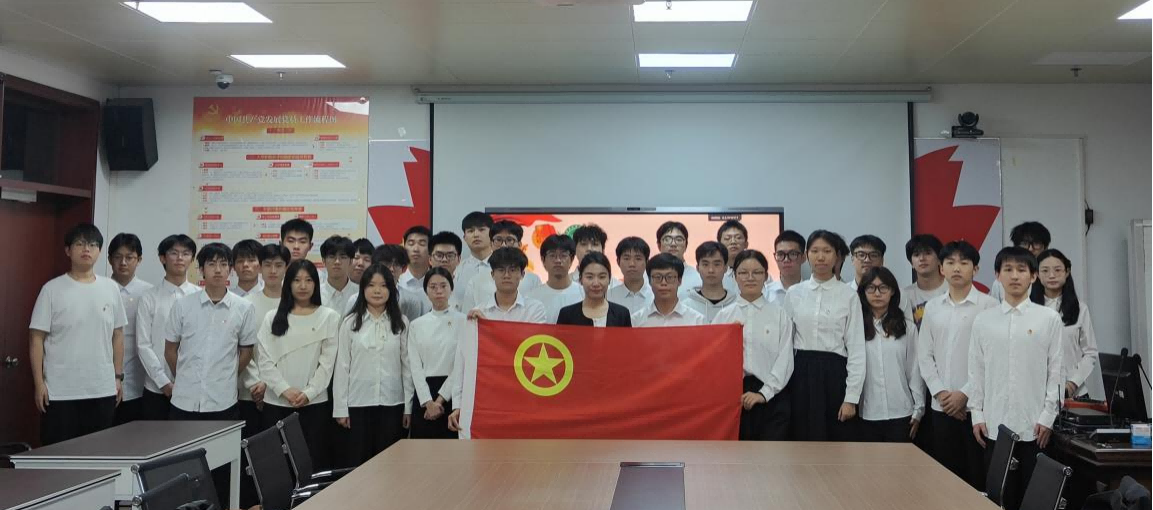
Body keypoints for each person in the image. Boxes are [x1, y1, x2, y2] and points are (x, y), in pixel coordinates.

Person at [969, 247, 1063, 510]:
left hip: (1035, 427)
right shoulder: (984, 321)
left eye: (1022, 270)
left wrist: (1048, 416)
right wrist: (977, 414)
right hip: (994, 425)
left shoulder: (1048, 319)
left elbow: (1057, 371)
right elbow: (976, 371)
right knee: (999, 500)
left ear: (1033, 276)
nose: (1014, 276)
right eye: (1008, 269)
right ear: (997, 275)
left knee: (1034, 501)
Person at [29, 223, 127, 445]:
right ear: (68, 250)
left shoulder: (110, 288)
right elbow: (36, 338)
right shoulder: (52, 289)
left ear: (99, 251)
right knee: (58, 453)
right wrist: (39, 383)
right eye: (80, 244)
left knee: (97, 452)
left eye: (92, 244)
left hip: (101, 388)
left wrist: (117, 377)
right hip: (60, 390)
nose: (86, 249)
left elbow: (118, 335)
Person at [917, 240, 998, 489]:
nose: (957, 268)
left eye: (964, 263)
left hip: (976, 410)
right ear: (941, 268)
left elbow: (991, 359)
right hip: (941, 408)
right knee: (944, 480)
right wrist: (942, 394)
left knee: (976, 478)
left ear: (975, 269)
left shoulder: (989, 306)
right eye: (950, 262)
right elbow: (924, 355)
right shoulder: (932, 307)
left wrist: (964, 395)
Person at [447, 247, 548, 432]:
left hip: (524, 393)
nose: (506, 275)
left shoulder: (535, 309)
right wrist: (458, 404)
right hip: (487, 394)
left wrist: (489, 328)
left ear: (522, 275)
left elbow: (529, 348)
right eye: (501, 270)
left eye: (513, 270)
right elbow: (462, 361)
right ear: (492, 274)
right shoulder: (477, 313)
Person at [258, 259, 340, 469]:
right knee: (278, 466)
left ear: (316, 284)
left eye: (308, 280)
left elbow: (327, 364)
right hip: (276, 403)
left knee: (313, 461)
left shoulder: (329, 317)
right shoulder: (271, 317)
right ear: (288, 284)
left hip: (314, 404)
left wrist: (309, 392)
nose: (303, 286)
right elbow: (264, 361)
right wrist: (284, 389)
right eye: (296, 280)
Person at [783, 230, 865, 442]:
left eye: (827, 251)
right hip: (800, 374)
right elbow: (784, 345)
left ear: (837, 256)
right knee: (801, 438)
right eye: (815, 251)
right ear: (806, 255)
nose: (821, 257)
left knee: (835, 439)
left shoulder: (848, 295)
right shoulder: (794, 293)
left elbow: (856, 349)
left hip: (835, 375)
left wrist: (851, 398)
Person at [164, 242, 258, 421]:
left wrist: (225, 375)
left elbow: (246, 352)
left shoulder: (244, 308)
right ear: (201, 270)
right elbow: (170, 350)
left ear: (230, 270)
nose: (218, 270)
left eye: (223, 264)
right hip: (184, 400)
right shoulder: (182, 305)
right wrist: (185, 376)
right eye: (212, 264)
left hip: (223, 401)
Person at [334, 264, 411, 465]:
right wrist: (341, 408)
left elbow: (407, 367)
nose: (377, 291)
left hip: (392, 403)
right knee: (359, 462)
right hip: (358, 403)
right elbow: (342, 367)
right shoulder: (350, 323)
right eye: (371, 285)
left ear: (391, 290)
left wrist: (408, 407)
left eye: (383, 285)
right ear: (363, 289)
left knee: (390, 464)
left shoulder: (401, 323)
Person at [712, 250, 793, 440]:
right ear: (734, 276)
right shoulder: (724, 316)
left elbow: (785, 360)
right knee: (736, 455)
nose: (750, 278)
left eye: (757, 272)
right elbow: (713, 360)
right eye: (743, 272)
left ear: (765, 276)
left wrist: (764, 393)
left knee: (770, 455)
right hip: (733, 398)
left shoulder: (779, 315)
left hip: (773, 396)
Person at [239, 243, 288, 508]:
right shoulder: (246, 304)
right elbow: (243, 349)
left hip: (282, 394)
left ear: (286, 268)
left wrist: (273, 385)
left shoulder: (295, 303)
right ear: (259, 267)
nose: (272, 270)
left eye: (278, 265)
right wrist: (256, 383)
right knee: (251, 457)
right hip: (251, 393)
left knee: (279, 456)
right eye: (267, 264)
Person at [136, 234, 200, 421]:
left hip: (193, 389)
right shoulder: (149, 297)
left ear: (192, 259)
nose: (180, 258)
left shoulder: (200, 296)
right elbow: (143, 345)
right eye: (174, 253)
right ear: (162, 258)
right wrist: (163, 382)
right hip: (157, 389)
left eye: (186, 253)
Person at [857, 267, 923, 443]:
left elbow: (914, 369)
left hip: (901, 411)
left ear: (892, 291)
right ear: (863, 292)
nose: (877, 293)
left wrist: (919, 409)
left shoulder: (907, 328)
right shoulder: (855, 328)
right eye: (871, 288)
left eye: (883, 287)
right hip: (867, 413)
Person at [1032, 249, 1104, 400]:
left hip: (1074, 393)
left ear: (1067, 272)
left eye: (1057, 270)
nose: (1052, 275)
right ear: (1036, 274)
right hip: (1037, 394)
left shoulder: (1080, 309)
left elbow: (1090, 352)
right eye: (1045, 270)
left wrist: (1073, 383)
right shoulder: (1029, 309)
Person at [407, 267, 463, 439]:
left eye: (443, 286)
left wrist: (440, 400)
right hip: (424, 394)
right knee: (423, 450)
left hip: (454, 393)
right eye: (433, 287)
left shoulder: (463, 321)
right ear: (426, 291)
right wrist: (428, 401)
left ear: (451, 288)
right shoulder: (416, 325)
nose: (438, 291)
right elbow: (415, 367)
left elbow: (461, 364)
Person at [107, 233, 153, 424]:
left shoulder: (149, 293)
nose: (123, 262)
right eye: (118, 257)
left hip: (139, 381)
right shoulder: (101, 289)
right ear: (109, 259)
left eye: (129, 257)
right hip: (104, 378)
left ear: (139, 260)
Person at [461, 220, 543, 311]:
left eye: (510, 240)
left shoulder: (533, 280)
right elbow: (468, 316)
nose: (504, 245)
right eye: (498, 240)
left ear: (520, 244)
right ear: (491, 244)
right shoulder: (476, 282)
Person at [557, 252, 632, 327]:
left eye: (602, 277)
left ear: (609, 279)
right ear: (580, 279)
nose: (596, 283)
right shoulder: (567, 315)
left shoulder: (622, 314)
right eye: (590, 277)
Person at [632, 254, 706, 327]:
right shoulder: (636, 321)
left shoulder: (697, 321)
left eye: (669, 277)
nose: (663, 283)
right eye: (658, 277)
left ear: (679, 281)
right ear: (649, 281)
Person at [528, 234, 585, 323]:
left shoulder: (583, 294)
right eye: (552, 255)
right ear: (543, 260)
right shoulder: (532, 298)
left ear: (571, 259)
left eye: (563, 255)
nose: (558, 260)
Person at [989, 221, 1051, 301]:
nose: (1030, 249)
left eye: (1036, 243)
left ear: (1046, 247)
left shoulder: (1053, 278)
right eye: (1024, 243)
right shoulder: (1001, 281)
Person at [369, 244, 432, 322]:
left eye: (396, 264)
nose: (391, 269)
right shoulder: (359, 297)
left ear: (404, 269)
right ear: (375, 266)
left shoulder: (412, 301)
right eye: (386, 263)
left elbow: (413, 327)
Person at [681, 242, 737, 323]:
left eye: (717, 264)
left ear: (725, 268)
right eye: (705, 264)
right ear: (697, 268)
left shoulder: (737, 305)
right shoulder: (686, 307)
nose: (711, 270)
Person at [900, 234, 946, 328]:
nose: (922, 259)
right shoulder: (905, 295)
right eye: (916, 255)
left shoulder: (954, 290)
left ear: (939, 260)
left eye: (928, 253)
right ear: (911, 263)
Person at [453, 212, 495, 298]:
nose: (476, 235)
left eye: (481, 230)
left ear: (492, 234)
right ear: (464, 238)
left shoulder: (503, 268)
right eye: (471, 231)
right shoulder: (457, 270)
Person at [607, 236, 653, 315]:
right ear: (618, 262)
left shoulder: (655, 295)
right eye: (626, 258)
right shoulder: (608, 296)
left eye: (638, 259)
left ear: (647, 262)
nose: (632, 264)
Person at [657, 221, 702, 290]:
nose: (673, 244)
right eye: (667, 239)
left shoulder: (698, 278)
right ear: (659, 245)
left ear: (686, 245)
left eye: (678, 240)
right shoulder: (647, 277)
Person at [320, 235, 359, 314]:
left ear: (351, 261)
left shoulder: (360, 293)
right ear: (323, 261)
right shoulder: (315, 293)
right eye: (332, 257)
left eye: (343, 257)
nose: (337, 262)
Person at [765, 230, 806, 303]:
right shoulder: (765, 293)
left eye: (792, 254)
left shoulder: (811, 293)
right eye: (780, 254)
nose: (786, 260)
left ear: (803, 257)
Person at [717, 220, 751, 293]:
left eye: (738, 238)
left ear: (746, 244)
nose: (733, 242)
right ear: (719, 245)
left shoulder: (757, 271)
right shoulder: (714, 272)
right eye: (727, 238)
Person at [399, 226, 433, 295]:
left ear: (431, 249)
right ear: (404, 248)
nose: (416, 249)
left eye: (422, 244)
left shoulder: (440, 284)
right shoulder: (397, 283)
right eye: (411, 244)